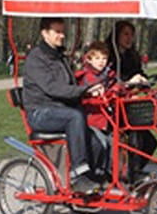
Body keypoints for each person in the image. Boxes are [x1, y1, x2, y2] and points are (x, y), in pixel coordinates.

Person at [23, 17, 105, 194]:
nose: (62, 35)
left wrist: (91, 90)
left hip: (58, 110)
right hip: (39, 112)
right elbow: (53, 88)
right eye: (57, 32)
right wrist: (83, 91)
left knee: (95, 139)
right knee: (74, 116)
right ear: (44, 33)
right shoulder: (36, 58)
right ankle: (78, 176)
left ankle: (95, 177)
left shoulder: (59, 56)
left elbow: (70, 85)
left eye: (63, 31)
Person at [105, 21, 157, 182]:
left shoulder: (132, 56)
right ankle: (130, 175)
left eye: (131, 35)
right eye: (125, 34)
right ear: (117, 35)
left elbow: (139, 73)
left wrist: (144, 80)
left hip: (130, 106)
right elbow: (109, 79)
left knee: (150, 142)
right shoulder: (108, 56)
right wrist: (129, 82)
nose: (129, 38)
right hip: (111, 106)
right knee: (135, 135)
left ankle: (133, 173)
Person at [75, 41, 116, 180]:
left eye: (104, 58)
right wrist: (95, 92)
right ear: (89, 59)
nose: (101, 62)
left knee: (114, 143)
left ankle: (110, 174)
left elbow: (115, 87)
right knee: (101, 143)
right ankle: (94, 174)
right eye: (97, 58)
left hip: (106, 119)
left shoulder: (108, 75)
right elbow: (85, 95)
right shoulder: (86, 77)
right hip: (92, 119)